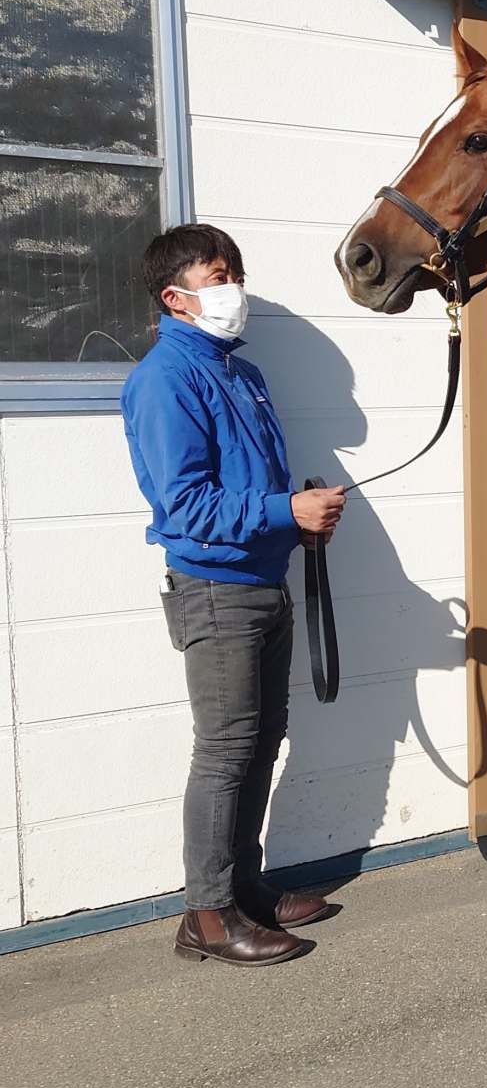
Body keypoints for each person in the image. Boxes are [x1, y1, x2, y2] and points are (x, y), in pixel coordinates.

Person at [121, 224, 347, 967]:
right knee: (224, 752)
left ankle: (244, 888)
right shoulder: (165, 378)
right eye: (220, 274)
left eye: (237, 272)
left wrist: (297, 514)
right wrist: (286, 513)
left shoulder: (239, 374)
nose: (234, 288)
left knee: (258, 744)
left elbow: (246, 485)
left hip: (262, 581)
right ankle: (208, 915)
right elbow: (183, 506)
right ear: (176, 296)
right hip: (216, 591)